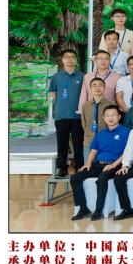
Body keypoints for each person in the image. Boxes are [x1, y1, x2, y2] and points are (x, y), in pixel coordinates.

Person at [70, 104, 130, 220]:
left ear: (119, 117)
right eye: (107, 115)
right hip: (98, 165)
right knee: (75, 178)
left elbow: (127, 152)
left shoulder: (126, 132)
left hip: (115, 165)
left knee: (102, 177)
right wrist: (88, 163)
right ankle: (83, 209)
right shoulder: (100, 134)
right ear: (104, 118)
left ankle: (98, 210)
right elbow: (93, 152)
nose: (110, 118)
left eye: (113, 115)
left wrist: (113, 165)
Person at [49, 50, 86, 178]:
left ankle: (79, 166)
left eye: (72, 57)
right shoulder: (56, 77)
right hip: (61, 116)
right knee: (62, 144)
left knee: (78, 144)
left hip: (78, 116)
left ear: (76, 60)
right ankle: (62, 168)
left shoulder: (83, 76)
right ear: (62, 60)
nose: (70, 59)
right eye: (67, 57)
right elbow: (52, 94)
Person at [80, 77, 116, 161]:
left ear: (104, 88)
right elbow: (84, 124)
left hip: (106, 142)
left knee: (104, 166)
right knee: (88, 166)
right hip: (89, 141)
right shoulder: (85, 105)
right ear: (90, 88)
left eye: (100, 85)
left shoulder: (110, 105)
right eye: (94, 85)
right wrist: (88, 134)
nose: (97, 88)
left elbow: (114, 124)